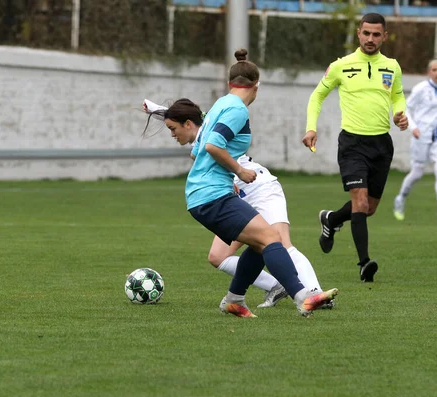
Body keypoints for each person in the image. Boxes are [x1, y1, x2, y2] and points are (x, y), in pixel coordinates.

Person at [172, 49, 338, 317]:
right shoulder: (237, 109)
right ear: (256, 87)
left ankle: (235, 300)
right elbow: (213, 146)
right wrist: (239, 170)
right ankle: (302, 296)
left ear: (230, 84)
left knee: (261, 243)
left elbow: (197, 150)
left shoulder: (219, 105)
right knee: (271, 238)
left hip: (206, 193)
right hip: (212, 195)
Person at [142, 98, 333, 309]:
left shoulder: (210, 134)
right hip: (235, 199)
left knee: (280, 243)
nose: (172, 134)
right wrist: (156, 109)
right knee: (218, 256)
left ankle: (315, 293)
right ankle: (276, 286)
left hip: (261, 189)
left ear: (188, 123)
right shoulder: (204, 128)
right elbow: (190, 115)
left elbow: (196, 121)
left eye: (172, 128)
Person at [302, 13, 408, 282]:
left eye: (376, 34)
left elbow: (397, 95)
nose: (370, 39)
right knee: (359, 202)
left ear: (384, 36)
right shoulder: (341, 66)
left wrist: (400, 113)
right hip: (352, 143)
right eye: (366, 33)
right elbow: (317, 95)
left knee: (368, 208)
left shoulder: (392, 66)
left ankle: (332, 220)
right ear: (358, 33)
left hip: (382, 144)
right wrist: (310, 127)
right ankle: (364, 264)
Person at [393, 59, 437, 221]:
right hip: (421, 135)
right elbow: (406, 109)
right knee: (417, 173)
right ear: (428, 72)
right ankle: (401, 198)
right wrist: (413, 127)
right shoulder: (420, 89)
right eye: (434, 70)